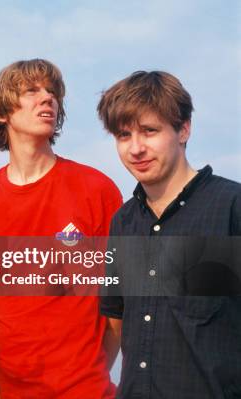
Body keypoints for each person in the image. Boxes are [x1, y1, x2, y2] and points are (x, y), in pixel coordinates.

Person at [0, 59, 122, 398]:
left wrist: (89, 375)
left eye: (52, 92)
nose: (47, 98)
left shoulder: (97, 189)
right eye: (32, 90)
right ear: (3, 112)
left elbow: (119, 305)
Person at [97, 71, 241, 398]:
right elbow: (117, 319)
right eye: (123, 135)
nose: (136, 148)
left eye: (149, 131)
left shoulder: (231, 206)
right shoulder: (123, 222)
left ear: (184, 129)